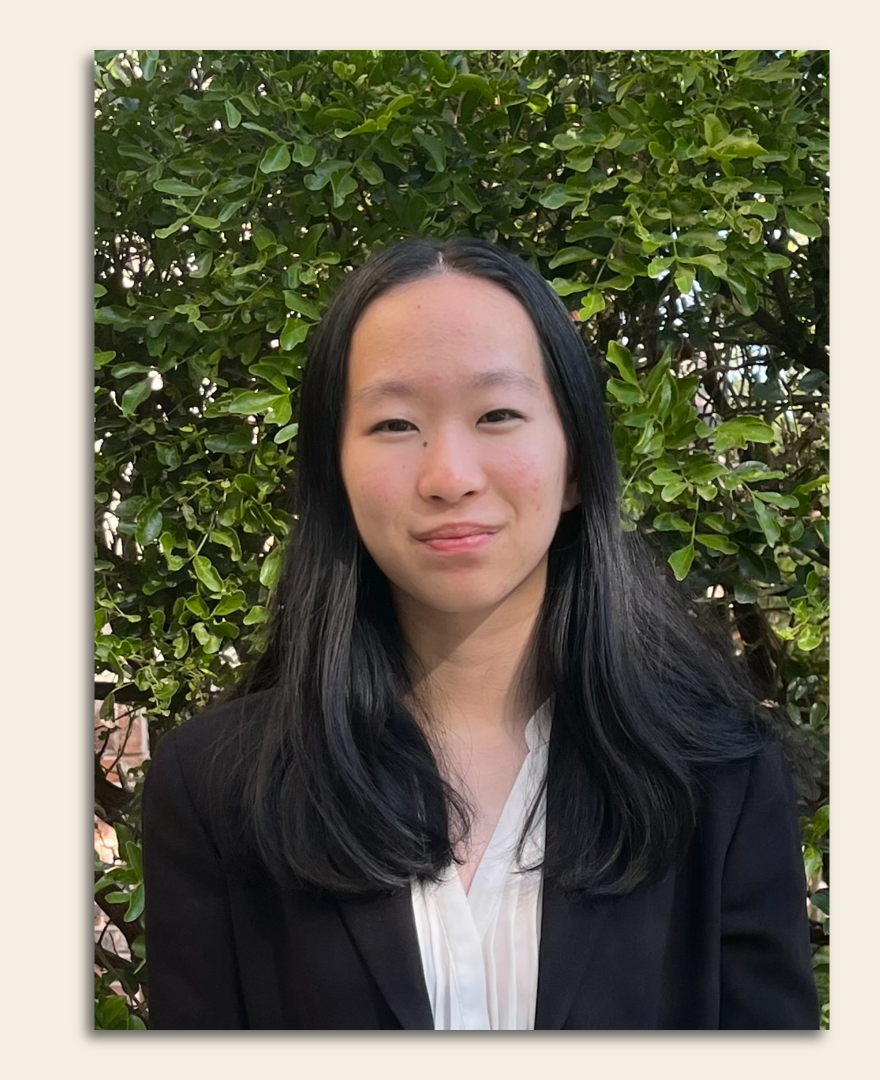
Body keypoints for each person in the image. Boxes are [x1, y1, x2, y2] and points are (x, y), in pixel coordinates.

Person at [142, 236, 819, 1030]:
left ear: (574, 463)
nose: (449, 475)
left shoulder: (718, 780)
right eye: (395, 424)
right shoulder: (219, 788)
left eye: (498, 414)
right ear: (335, 474)